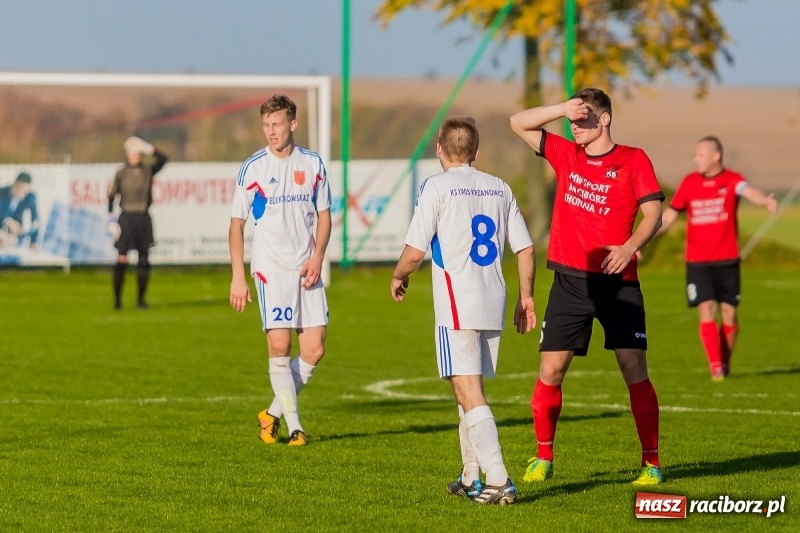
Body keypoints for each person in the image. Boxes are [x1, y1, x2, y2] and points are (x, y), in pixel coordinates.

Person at [510, 88, 665, 486]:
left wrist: (631, 246)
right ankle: (543, 456)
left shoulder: (634, 159)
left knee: (634, 370)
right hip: (569, 283)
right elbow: (518, 122)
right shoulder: (567, 154)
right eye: (572, 120)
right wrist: (561, 108)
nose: (575, 126)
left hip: (619, 285)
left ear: (606, 118)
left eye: (583, 119)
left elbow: (653, 212)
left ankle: (651, 463)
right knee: (551, 370)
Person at [391, 116, 537, 505]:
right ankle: (471, 474)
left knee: (467, 389)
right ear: (476, 152)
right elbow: (525, 247)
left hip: (457, 303)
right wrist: (527, 297)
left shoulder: (436, 186)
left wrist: (398, 275)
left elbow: (414, 251)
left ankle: (499, 477)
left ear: (438, 148)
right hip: (493, 300)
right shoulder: (499, 187)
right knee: (468, 387)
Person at [229, 94, 331, 447]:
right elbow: (236, 224)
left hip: (307, 269)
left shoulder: (314, 164)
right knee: (280, 343)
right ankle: (295, 427)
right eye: (266, 125)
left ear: (293, 124)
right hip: (271, 269)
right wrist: (238, 276)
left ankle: (270, 414)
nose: (271, 132)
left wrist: (318, 256)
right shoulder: (254, 168)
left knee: (315, 349)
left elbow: (324, 216)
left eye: (277, 124)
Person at [657, 136, 778, 381]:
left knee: (730, 313)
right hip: (698, 261)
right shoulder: (689, 182)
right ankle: (716, 366)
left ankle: (724, 361)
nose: (695, 159)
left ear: (715, 156)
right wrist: (644, 238)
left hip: (727, 259)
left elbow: (748, 190)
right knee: (707, 307)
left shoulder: (732, 179)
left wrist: (764, 200)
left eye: (700, 155)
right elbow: (669, 216)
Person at [107, 136, 168, 310]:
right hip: (126, 218)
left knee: (143, 259)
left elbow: (163, 159)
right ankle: (117, 300)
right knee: (122, 258)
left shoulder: (147, 170)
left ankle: (141, 301)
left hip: (143, 217)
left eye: (138, 152)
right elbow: (111, 196)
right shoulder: (121, 173)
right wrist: (111, 219)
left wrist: (148, 147)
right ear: (127, 154)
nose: (135, 155)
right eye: (133, 152)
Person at [0, 171, 39, 248]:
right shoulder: (1, 192)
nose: (21, 191)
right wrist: (8, 221)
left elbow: (35, 220)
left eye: (25, 189)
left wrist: (33, 242)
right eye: (20, 187)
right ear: (14, 183)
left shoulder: (31, 197)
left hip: (17, 233)